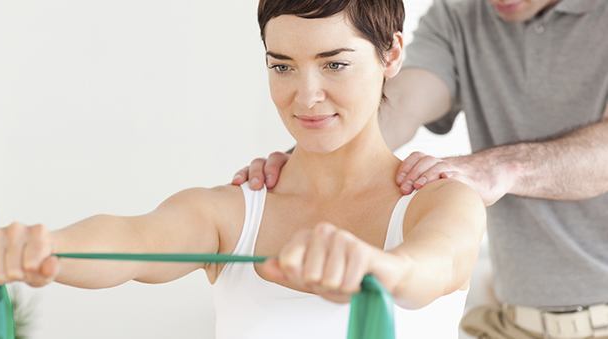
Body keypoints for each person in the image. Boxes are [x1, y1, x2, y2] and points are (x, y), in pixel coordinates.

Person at [0, 0, 487, 338]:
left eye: (335, 63)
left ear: (391, 54)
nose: (305, 96)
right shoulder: (231, 211)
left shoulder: (439, 200)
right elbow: (133, 239)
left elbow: (430, 270)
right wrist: (43, 249)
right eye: (282, 65)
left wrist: (373, 268)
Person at [234, 0, 608, 338]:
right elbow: (400, 104)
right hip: (511, 319)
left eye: (332, 62)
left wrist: (501, 168)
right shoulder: (461, 16)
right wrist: (302, 160)